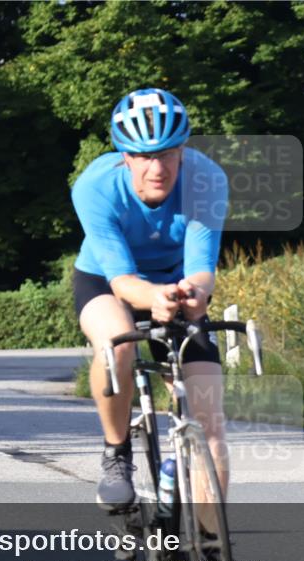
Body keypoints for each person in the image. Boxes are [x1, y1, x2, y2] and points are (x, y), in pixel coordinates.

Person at [71, 88, 228, 511]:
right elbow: (122, 280)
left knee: (210, 423)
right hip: (106, 281)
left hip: (177, 281)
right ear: (124, 156)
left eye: (168, 154)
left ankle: (211, 544)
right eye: (143, 156)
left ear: (183, 150)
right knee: (116, 342)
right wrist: (153, 296)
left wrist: (195, 293)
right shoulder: (94, 187)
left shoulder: (207, 179)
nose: (157, 168)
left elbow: (202, 266)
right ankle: (116, 453)